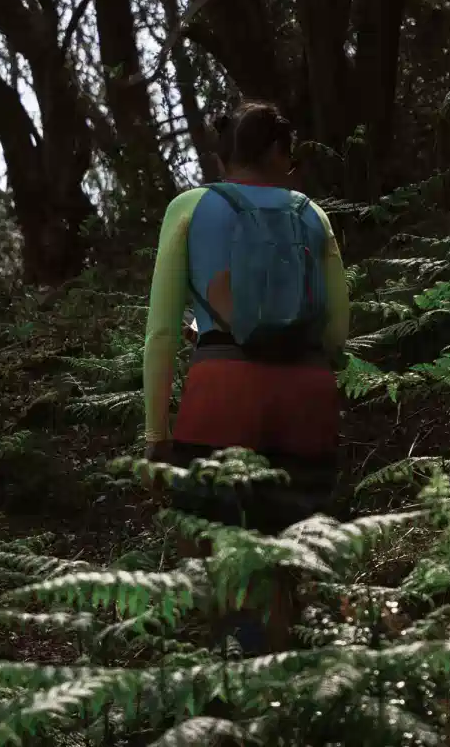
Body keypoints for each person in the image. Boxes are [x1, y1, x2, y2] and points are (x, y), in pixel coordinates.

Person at [141, 101, 350, 652]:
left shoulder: (189, 208)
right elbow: (337, 333)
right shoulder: (312, 213)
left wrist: (156, 435)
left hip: (221, 394)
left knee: (214, 562)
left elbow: (161, 335)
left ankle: (237, 683)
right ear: (278, 151)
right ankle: (293, 689)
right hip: (306, 396)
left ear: (224, 153)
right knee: (293, 568)